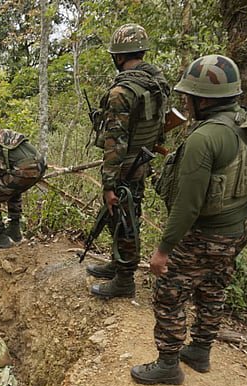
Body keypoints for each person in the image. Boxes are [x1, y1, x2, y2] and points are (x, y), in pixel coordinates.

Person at [131, 55, 247, 385]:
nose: (185, 102)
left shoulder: (203, 139)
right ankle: (200, 351)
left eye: (188, 96)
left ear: (203, 98)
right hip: (240, 229)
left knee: (169, 292)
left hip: (207, 232)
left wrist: (163, 250)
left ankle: (167, 364)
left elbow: (188, 204)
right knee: (212, 288)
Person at [87, 23, 171, 298]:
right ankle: (116, 263)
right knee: (125, 216)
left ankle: (124, 281)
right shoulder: (156, 83)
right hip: (141, 160)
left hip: (125, 165)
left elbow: (116, 141)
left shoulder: (122, 93)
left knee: (124, 219)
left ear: (119, 56)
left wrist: (109, 184)